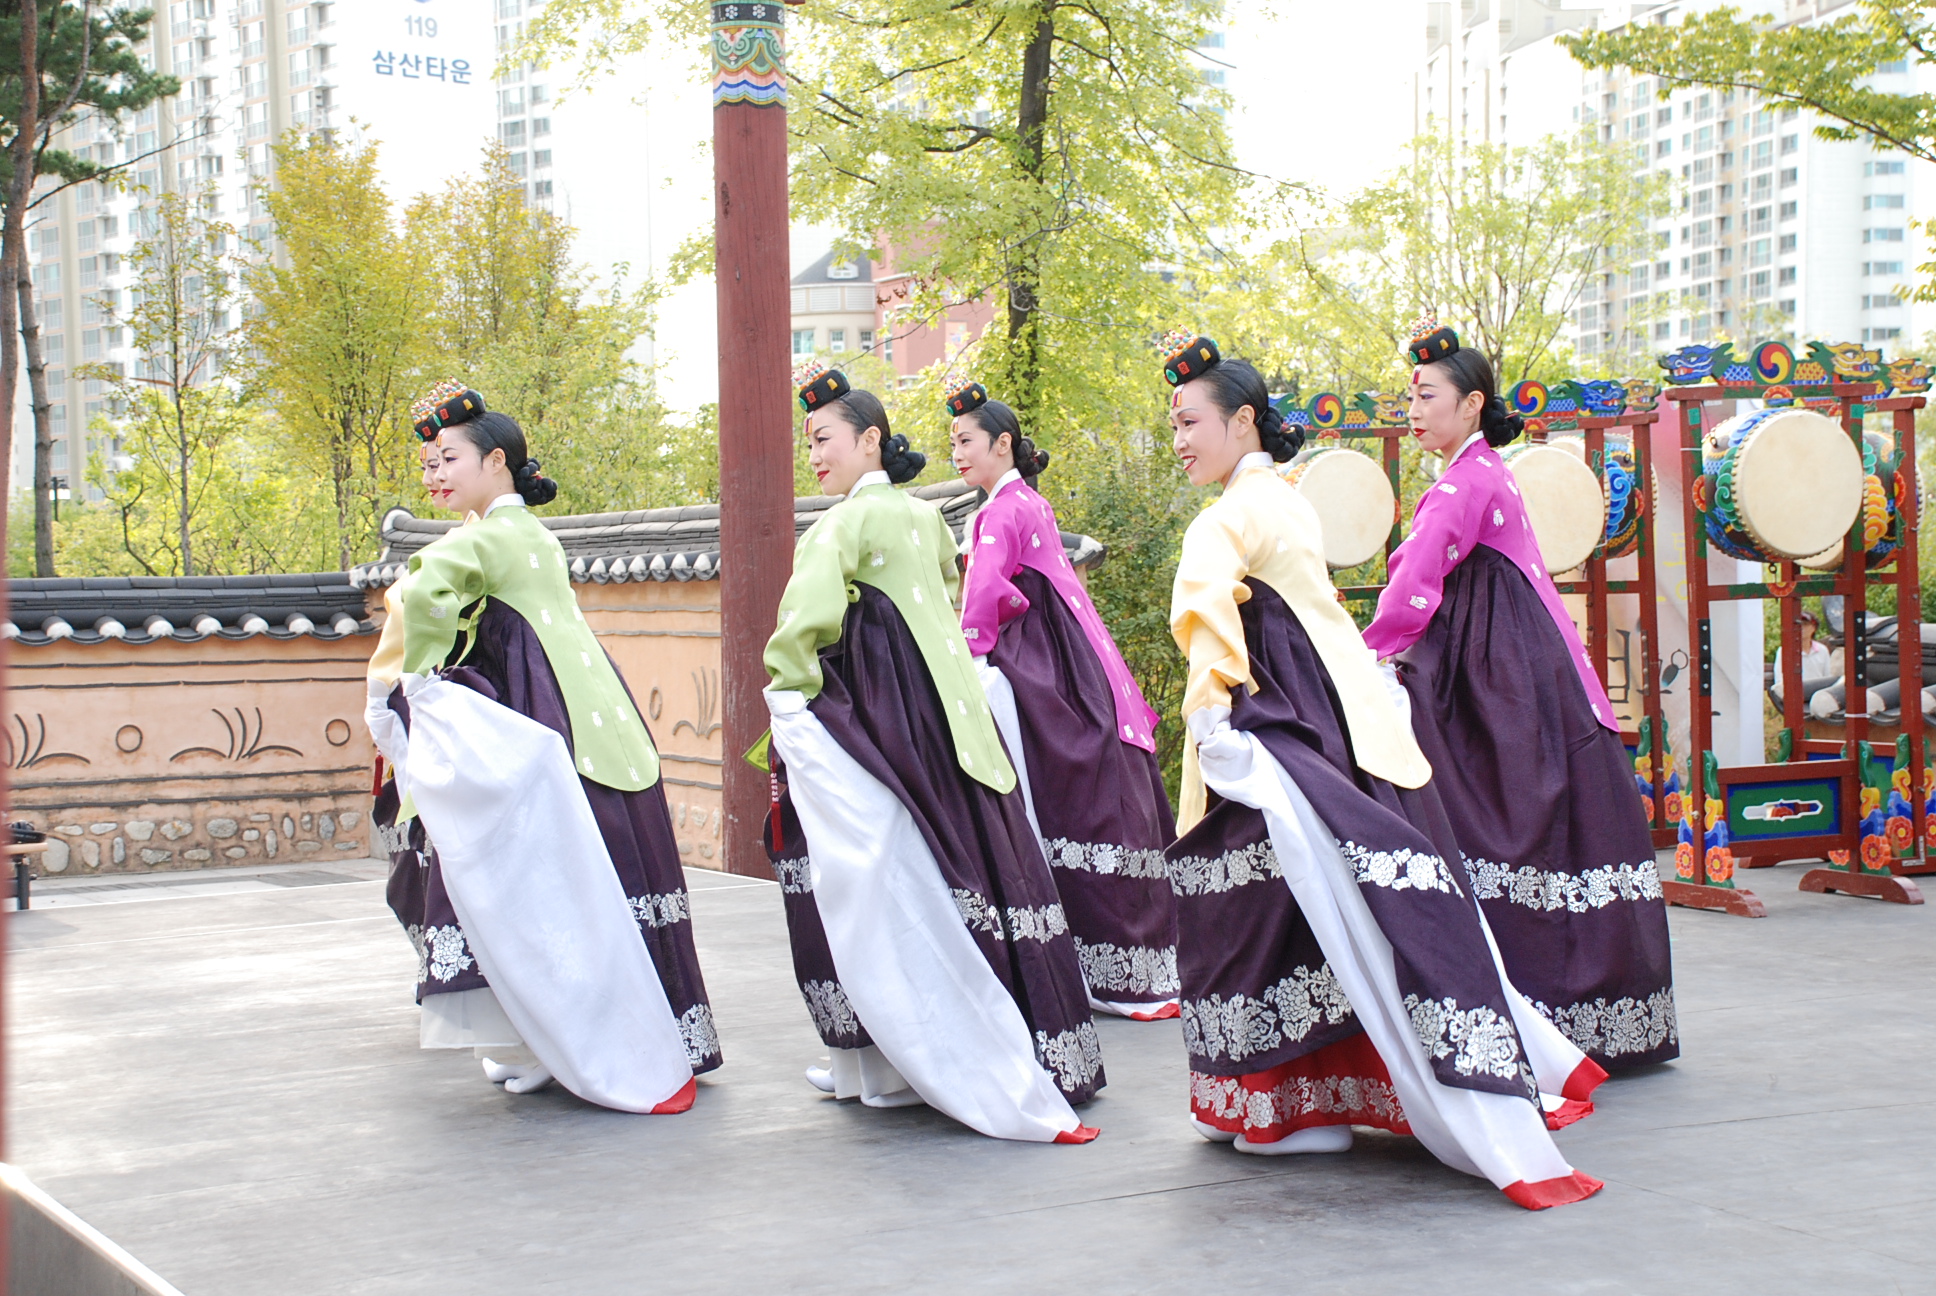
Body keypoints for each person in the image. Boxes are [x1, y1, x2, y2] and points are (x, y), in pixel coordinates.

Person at [1162, 329, 1602, 1208]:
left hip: (1282, 728)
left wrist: (1212, 717)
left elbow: (1205, 601)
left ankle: (1285, 1106)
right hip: (1345, 725)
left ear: (1242, 421)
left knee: (1260, 910)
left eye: (1188, 420)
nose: (1177, 438)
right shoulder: (1287, 499)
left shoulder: (1231, 516)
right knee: (1327, 910)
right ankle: (1319, 1097)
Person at [761, 362, 1102, 1143]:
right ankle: (1034, 1046)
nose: (814, 454)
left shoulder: (840, 526)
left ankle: (882, 1056)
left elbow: (800, 634)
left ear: (870, 440)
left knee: (872, 878)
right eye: (808, 441)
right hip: (953, 721)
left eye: (824, 438)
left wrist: (791, 702)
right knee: (974, 868)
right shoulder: (927, 520)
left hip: (883, 723)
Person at [363, 379, 716, 1114]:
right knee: (604, 884)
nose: (434, 475)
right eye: (429, 464)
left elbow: (420, 596)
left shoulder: (485, 538)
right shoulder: (531, 534)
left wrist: (418, 684)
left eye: (448, 459)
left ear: (495, 462)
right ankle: (643, 1033)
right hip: (599, 716)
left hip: (544, 720)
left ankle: (551, 1043)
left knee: (533, 888)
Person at [1363, 315, 1677, 1073]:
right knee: (1551, 824)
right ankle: (1590, 1014)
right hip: (1521, 669)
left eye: (1428, 394)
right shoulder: (1485, 473)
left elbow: (1412, 592)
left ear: (1471, 404)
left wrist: (1366, 657)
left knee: (1482, 815)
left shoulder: (1461, 483)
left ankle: (1521, 1010)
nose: (1415, 407)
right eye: (1412, 394)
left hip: (1494, 677)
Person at [946, 377, 1179, 1021]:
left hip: (1037, 657)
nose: (957, 453)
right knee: (1096, 795)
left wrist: (966, 658)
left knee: (1046, 793)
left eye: (967, 441)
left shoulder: (996, 511)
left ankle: (1077, 958)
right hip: (1076, 657)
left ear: (1003, 444)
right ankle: (1133, 964)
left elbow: (984, 596)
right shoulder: (1031, 503)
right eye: (952, 443)